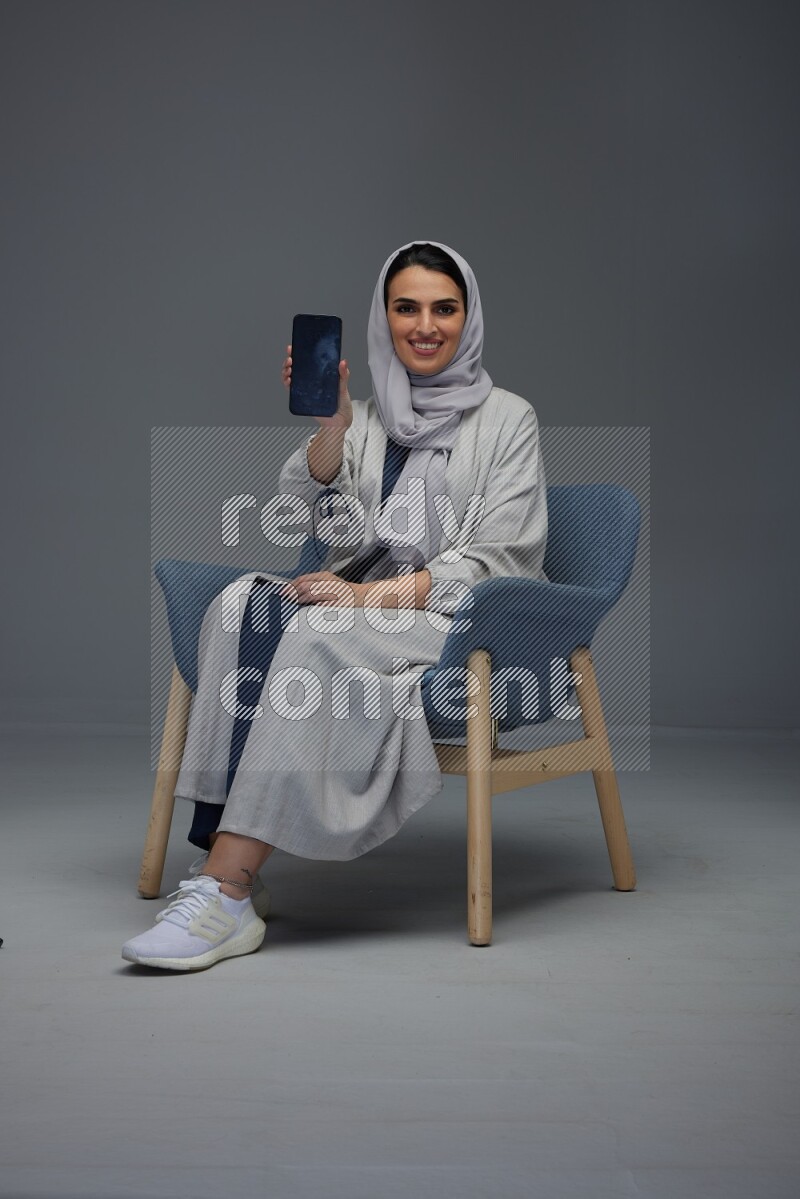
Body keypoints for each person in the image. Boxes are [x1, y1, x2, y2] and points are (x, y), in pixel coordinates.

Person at [122, 239, 548, 971]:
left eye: (444, 308)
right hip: (359, 601)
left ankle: (224, 890)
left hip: (456, 621)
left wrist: (364, 596)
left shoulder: (509, 420)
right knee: (237, 609)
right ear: (383, 317)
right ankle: (224, 850)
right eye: (405, 307)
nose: (424, 325)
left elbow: (496, 558)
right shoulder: (371, 413)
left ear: (468, 318)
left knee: (320, 632)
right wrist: (332, 430)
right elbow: (321, 521)